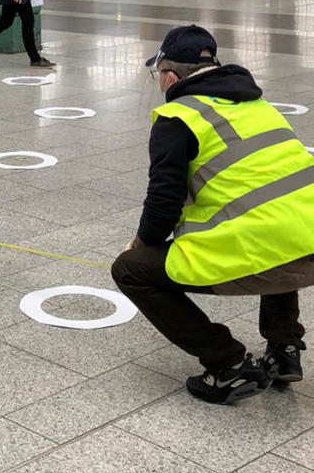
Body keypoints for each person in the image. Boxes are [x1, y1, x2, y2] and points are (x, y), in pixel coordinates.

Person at [112, 24, 314, 404]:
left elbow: (162, 203)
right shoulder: (259, 106)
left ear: (170, 76)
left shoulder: (178, 117)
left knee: (130, 270)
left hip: (268, 257)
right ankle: (284, 349)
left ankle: (227, 364)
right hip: (309, 245)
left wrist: (140, 245)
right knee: (276, 225)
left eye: (158, 76)